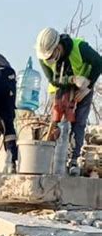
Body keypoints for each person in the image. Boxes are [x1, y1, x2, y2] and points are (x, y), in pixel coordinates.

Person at [35, 27, 101, 174]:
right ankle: (52, 161)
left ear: (58, 47)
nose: (48, 60)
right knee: (58, 123)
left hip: (83, 85)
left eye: (51, 56)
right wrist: (72, 79)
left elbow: (99, 63)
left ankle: (73, 160)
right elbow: (52, 79)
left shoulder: (80, 48)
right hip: (59, 87)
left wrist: (88, 87)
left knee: (79, 122)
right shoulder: (42, 55)